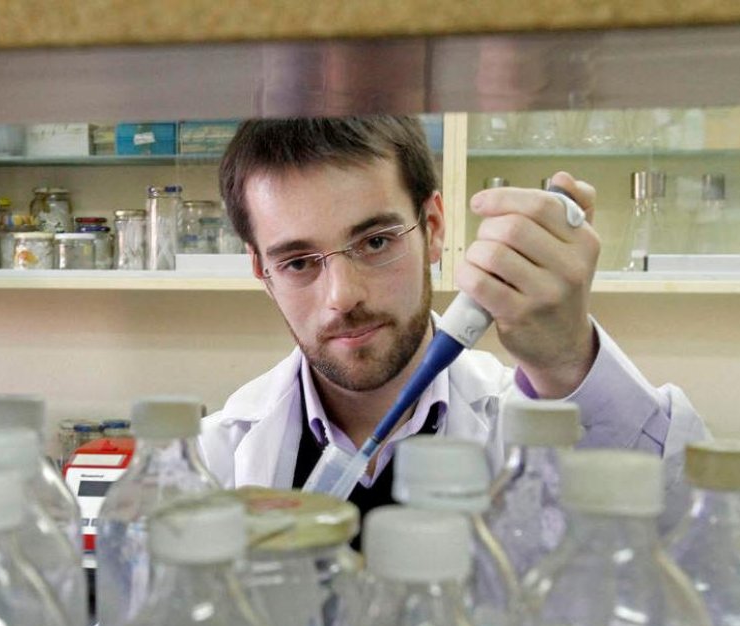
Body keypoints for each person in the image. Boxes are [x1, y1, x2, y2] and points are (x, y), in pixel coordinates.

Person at [198, 115, 708, 534]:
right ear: (262, 272)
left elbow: (707, 553)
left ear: (435, 229)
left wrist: (566, 358)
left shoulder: (528, 423)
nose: (342, 296)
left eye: (376, 242)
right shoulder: (211, 460)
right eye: (298, 262)